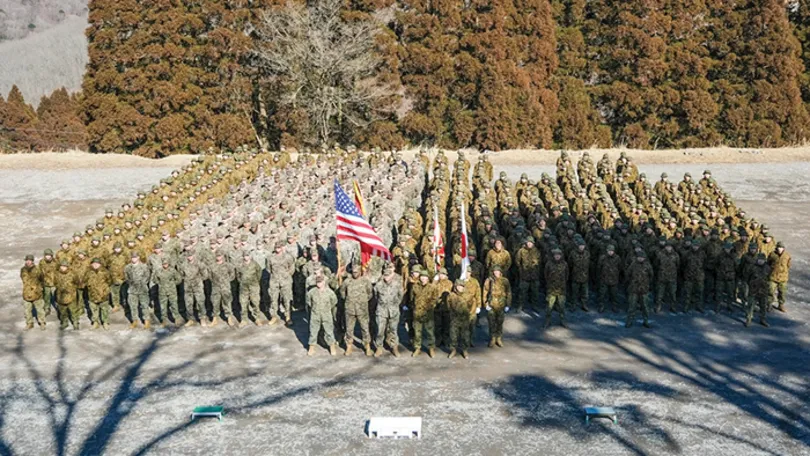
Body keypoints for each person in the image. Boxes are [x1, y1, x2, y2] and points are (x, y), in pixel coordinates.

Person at [340, 262, 373, 356]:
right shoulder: (347, 281)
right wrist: (348, 300)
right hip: (350, 309)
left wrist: (363, 301)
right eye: (353, 272)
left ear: (360, 272)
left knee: (365, 328)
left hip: (362, 310)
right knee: (349, 329)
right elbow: (342, 292)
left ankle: (367, 346)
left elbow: (370, 293)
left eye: (357, 272)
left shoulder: (365, 281)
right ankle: (349, 346)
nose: (355, 273)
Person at [373, 263, 403, 357]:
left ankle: (394, 348)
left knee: (393, 330)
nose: (386, 278)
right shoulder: (378, 285)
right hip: (381, 311)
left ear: (391, 275)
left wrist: (395, 305)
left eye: (388, 275)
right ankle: (379, 348)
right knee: (380, 330)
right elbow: (376, 296)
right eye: (385, 275)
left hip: (393, 311)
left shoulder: (397, 284)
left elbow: (400, 296)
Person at [307, 275, 338, 356]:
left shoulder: (330, 292)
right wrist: (315, 309)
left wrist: (327, 309)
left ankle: (332, 347)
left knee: (329, 331)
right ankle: (311, 347)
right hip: (315, 314)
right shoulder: (312, 292)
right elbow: (309, 302)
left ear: (324, 282)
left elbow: (334, 301)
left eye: (320, 282)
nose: (319, 284)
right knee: (313, 331)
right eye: (317, 282)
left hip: (326, 315)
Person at [409, 269, 438, 357]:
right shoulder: (415, 286)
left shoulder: (432, 287)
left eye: (425, 277)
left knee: (430, 332)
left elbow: (435, 299)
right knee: (417, 332)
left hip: (428, 313)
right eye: (422, 276)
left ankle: (431, 348)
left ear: (428, 278)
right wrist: (414, 307)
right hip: (417, 313)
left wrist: (429, 307)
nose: (423, 278)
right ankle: (417, 348)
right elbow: (411, 298)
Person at [267, 241, 296, 326]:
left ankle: (288, 316)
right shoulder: (270, 257)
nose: (278, 249)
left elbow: (292, 268)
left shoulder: (288, 257)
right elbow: (268, 269)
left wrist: (286, 275)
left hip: (285, 280)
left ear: (282, 248)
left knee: (287, 299)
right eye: (276, 248)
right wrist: (275, 275)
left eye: (279, 247)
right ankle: (274, 316)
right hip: (274, 281)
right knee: (273, 299)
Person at [483, 266, 511, 347]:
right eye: (494, 271)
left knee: (499, 322)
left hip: (501, 305)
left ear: (500, 272)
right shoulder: (489, 280)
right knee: (491, 322)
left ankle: (498, 338)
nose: (496, 272)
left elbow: (509, 292)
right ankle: (492, 338)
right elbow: (485, 291)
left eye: (497, 271)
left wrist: (508, 304)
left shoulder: (505, 281)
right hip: (491, 304)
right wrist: (485, 304)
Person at [447, 280, 474, 358]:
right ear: (455, 287)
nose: (460, 288)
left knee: (465, 336)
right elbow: (448, 306)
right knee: (453, 335)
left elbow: (471, 305)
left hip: (464, 319)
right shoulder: (451, 295)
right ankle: (453, 350)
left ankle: (464, 350)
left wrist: (467, 314)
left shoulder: (468, 295)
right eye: (458, 286)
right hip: (454, 319)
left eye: (461, 286)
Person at [236, 251, 264, 327]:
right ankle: (244, 320)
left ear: (250, 256)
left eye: (247, 256)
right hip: (243, 287)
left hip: (253, 286)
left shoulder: (254, 264)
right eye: (245, 256)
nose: (246, 257)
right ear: (243, 256)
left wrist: (255, 281)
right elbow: (238, 275)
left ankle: (257, 319)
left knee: (255, 302)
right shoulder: (239, 265)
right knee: (243, 303)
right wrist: (241, 281)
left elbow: (259, 272)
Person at [181, 251, 209, 327]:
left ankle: (202, 318)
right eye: (188, 256)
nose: (189, 257)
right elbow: (182, 275)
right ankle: (190, 319)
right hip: (188, 287)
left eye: (190, 256)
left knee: (200, 302)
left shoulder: (199, 264)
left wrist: (198, 280)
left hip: (198, 286)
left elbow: (205, 275)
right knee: (188, 303)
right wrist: (187, 280)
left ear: (193, 255)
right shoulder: (183, 265)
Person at [626, 253, 653, 328]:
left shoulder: (648, 265)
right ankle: (629, 321)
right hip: (634, 289)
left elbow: (651, 275)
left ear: (644, 258)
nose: (640, 258)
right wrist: (632, 282)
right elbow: (628, 274)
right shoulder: (633, 264)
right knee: (632, 306)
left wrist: (646, 284)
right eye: (639, 257)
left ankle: (646, 321)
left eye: (642, 257)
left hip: (644, 289)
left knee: (645, 307)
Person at [209, 251, 236, 326]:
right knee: (215, 303)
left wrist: (226, 281)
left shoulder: (228, 265)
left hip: (225, 287)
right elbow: (210, 276)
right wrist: (215, 282)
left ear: (223, 256)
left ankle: (229, 318)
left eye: (220, 256)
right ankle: (215, 319)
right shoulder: (212, 266)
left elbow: (232, 275)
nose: (218, 257)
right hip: (216, 287)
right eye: (217, 256)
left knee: (227, 302)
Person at [154, 257, 182, 327]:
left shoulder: (173, 270)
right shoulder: (158, 271)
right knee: (163, 307)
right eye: (164, 264)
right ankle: (164, 321)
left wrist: (173, 284)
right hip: (162, 292)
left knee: (174, 305)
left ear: (168, 263)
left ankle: (177, 319)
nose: (165, 265)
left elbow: (179, 279)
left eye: (166, 263)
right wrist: (160, 284)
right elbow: (155, 279)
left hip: (172, 291)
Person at [124, 252, 150, 329]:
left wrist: (141, 283)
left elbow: (147, 276)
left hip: (142, 289)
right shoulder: (127, 267)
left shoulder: (144, 266)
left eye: (135, 257)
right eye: (132, 257)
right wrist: (132, 283)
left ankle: (146, 321)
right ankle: (134, 321)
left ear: (138, 257)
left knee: (144, 305)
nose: (134, 259)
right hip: (132, 290)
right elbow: (126, 278)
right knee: (133, 306)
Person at [20, 254, 46, 330]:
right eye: (27, 260)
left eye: (30, 260)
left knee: (40, 309)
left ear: (32, 261)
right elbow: (23, 278)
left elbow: (42, 279)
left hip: (37, 293)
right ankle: (29, 323)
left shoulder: (38, 269)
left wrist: (39, 288)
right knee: (27, 310)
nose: (28, 262)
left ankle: (42, 322)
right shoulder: (23, 269)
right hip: (26, 292)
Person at [745, 253, 772, 327]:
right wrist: (751, 284)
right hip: (753, 290)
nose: (760, 261)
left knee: (763, 306)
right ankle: (748, 319)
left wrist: (767, 286)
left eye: (762, 260)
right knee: (750, 306)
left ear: (765, 260)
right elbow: (747, 277)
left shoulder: (767, 268)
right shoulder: (752, 267)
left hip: (763, 290)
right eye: (759, 259)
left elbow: (769, 278)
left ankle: (762, 319)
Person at [85, 258, 112, 329]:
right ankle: (95, 322)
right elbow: (85, 281)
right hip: (92, 294)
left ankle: (105, 322)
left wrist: (105, 289)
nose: (95, 265)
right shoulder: (88, 272)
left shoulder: (105, 272)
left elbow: (109, 281)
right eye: (94, 263)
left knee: (104, 309)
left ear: (100, 264)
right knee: (94, 309)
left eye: (97, 263)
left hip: (103, 294)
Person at [544, 248, 568, 328]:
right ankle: (547, 321)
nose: (557, 256)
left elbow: (567, 275)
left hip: (561, 289)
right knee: (549, 307)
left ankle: (562, 320)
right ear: (553, 256)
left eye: (559, 255)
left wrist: (562, 283)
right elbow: (545, 274)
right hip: (551, 289)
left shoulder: (564, 264)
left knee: (562, 307)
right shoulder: (549, 264)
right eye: (555, 255)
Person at [55, 259, 81, 330]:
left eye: (65, 266)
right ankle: (64, 323)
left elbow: (77, 282)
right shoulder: (57, 274)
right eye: (62, 266)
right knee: (62, 311)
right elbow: (55, 282)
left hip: (71, 296)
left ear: (67, 267)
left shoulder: (73, 274)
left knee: (73, 310)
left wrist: (72, 289)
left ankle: (75, 323)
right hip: (61, 296)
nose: (63, 268)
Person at [768, 241, 791, 312]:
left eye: (781, 247)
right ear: (776, 247)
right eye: (778, 247)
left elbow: (788, 265)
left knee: (782, 292)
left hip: (783, 277)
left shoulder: (787, 255)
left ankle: (781, 305)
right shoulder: (772, 254)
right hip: (773, 276)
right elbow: (768, 263)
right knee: (770, 291)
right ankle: (769, 304)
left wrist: (784, 271)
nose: (779, 249)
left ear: (783, 248)